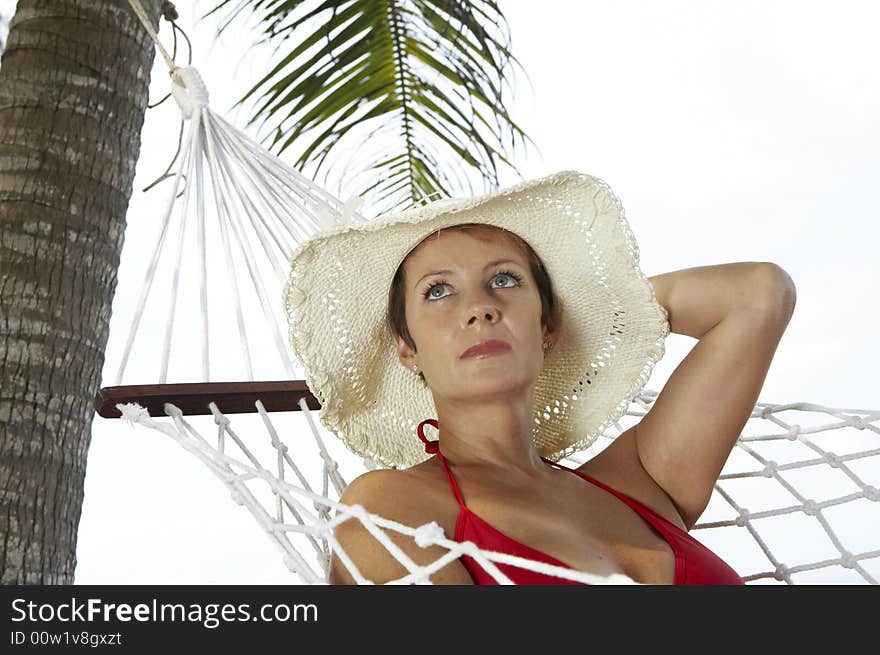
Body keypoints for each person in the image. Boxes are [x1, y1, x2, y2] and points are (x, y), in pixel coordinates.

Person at [283, 170, 794, 585]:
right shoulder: (389, 504)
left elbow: (759, 295)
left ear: (548, 326)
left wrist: (595, 315)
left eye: (504, 280)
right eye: (438, 291)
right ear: (406, 347)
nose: (480, 308)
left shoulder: (641, 483)